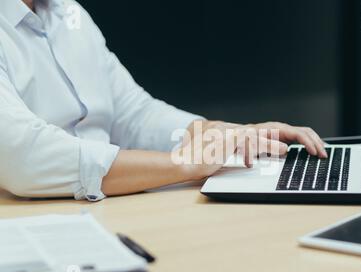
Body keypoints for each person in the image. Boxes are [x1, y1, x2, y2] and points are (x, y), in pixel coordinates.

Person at [0, 0, 327, 201]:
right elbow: (23, 157)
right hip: (40, 229)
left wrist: (219, 133)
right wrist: (183, 165)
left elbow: (134, 115)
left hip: (109, 210)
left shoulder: (69, 13)